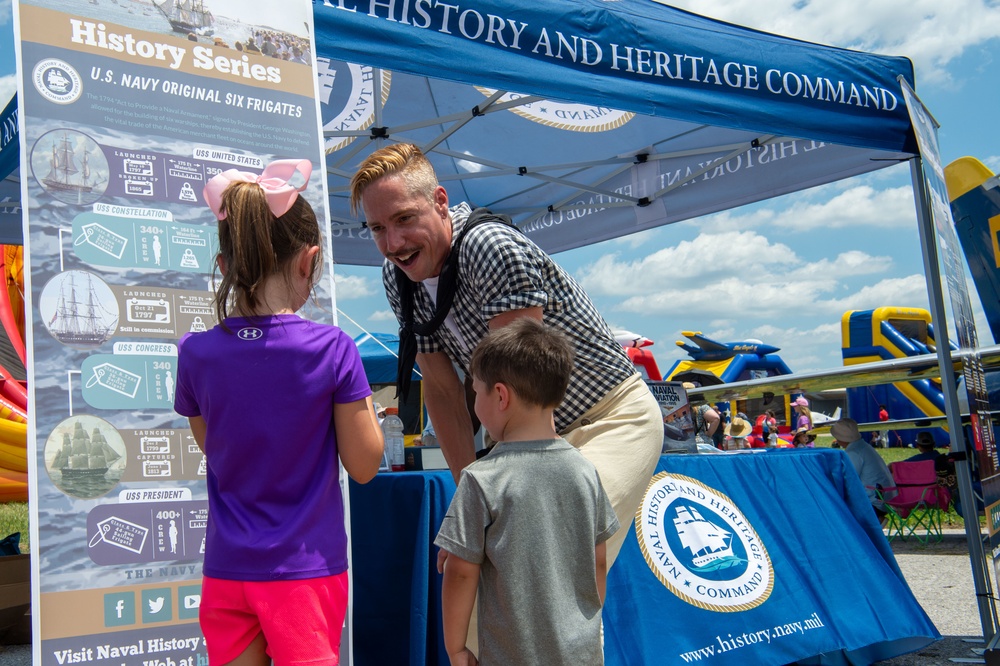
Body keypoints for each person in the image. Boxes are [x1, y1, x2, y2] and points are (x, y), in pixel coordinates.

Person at [349, 143, 662, 568]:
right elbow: (441, 391)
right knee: (489, 568)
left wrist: (489, 514)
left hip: (608, 418)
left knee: (551, 562)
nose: (394, 243)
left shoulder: (487, 246)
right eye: (377, 228)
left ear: (440, 202)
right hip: (528, 428)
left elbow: (520, 390)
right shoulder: (398, 277)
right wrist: (468, 505)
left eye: (405, 218)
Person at [174, 160, 384, 666]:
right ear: (308, 261)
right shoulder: (332, 349)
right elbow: (364, 464)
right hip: (304, 572)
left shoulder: (196, 353)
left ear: (224, 266)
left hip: (227, 569)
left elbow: (215, 445)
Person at [435, 319, 618, 665]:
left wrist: (456, 647)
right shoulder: (584, 470)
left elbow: (460, 571)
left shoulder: (481, 478)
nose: (475, 404)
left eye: (476, 392)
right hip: (582, 654)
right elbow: (599, 560)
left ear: (500, 396)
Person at [831, 418, 895, 522]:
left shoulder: (854, 453)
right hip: (886, 499)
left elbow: (847, 479)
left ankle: (873, 521)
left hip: (874, 504)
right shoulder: (863, 447)